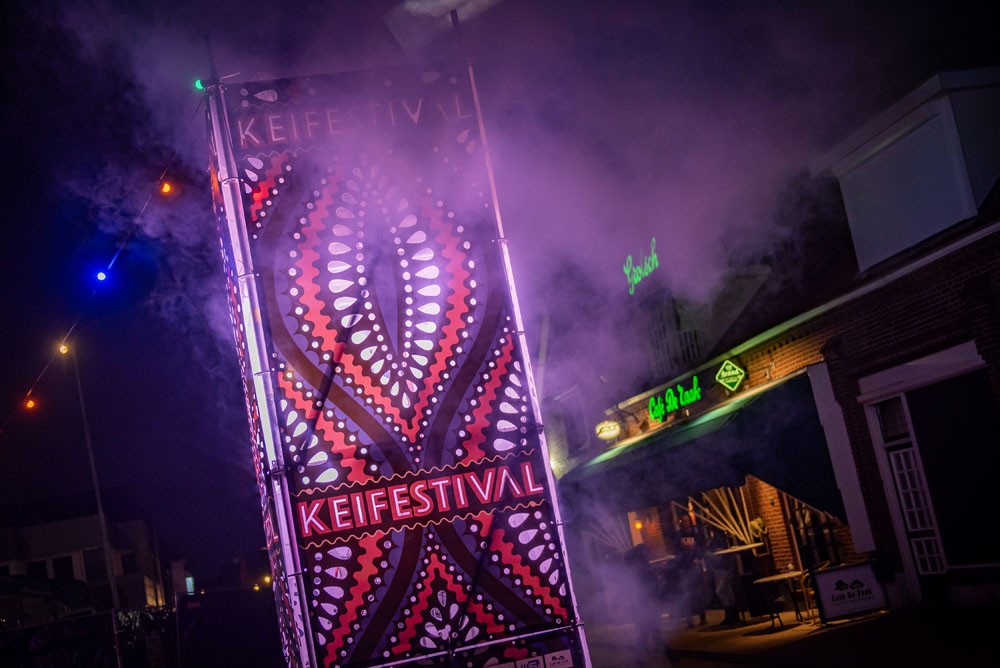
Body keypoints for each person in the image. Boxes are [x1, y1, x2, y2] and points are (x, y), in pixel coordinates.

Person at [623, 543, 677, 666]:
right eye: (647, 552)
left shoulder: (636, 568)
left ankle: (642, 660)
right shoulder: (643, 569)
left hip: (643, 606)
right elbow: (652, 587)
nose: (649, 554)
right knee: (651, 633)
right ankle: (669, 655)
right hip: (647, 605)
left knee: (647, 634)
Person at [672, 516, 708, 627]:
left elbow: (702, 547)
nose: (685, 523)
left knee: (698, 592)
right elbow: (676, 549)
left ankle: (702, 617)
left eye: (687, 521)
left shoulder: (695, 533)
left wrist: (698, 557)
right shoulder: (680, 535)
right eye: (683, 521)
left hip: (694, 566)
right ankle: (689, 620)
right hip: (684, 567)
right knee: (686, 594)